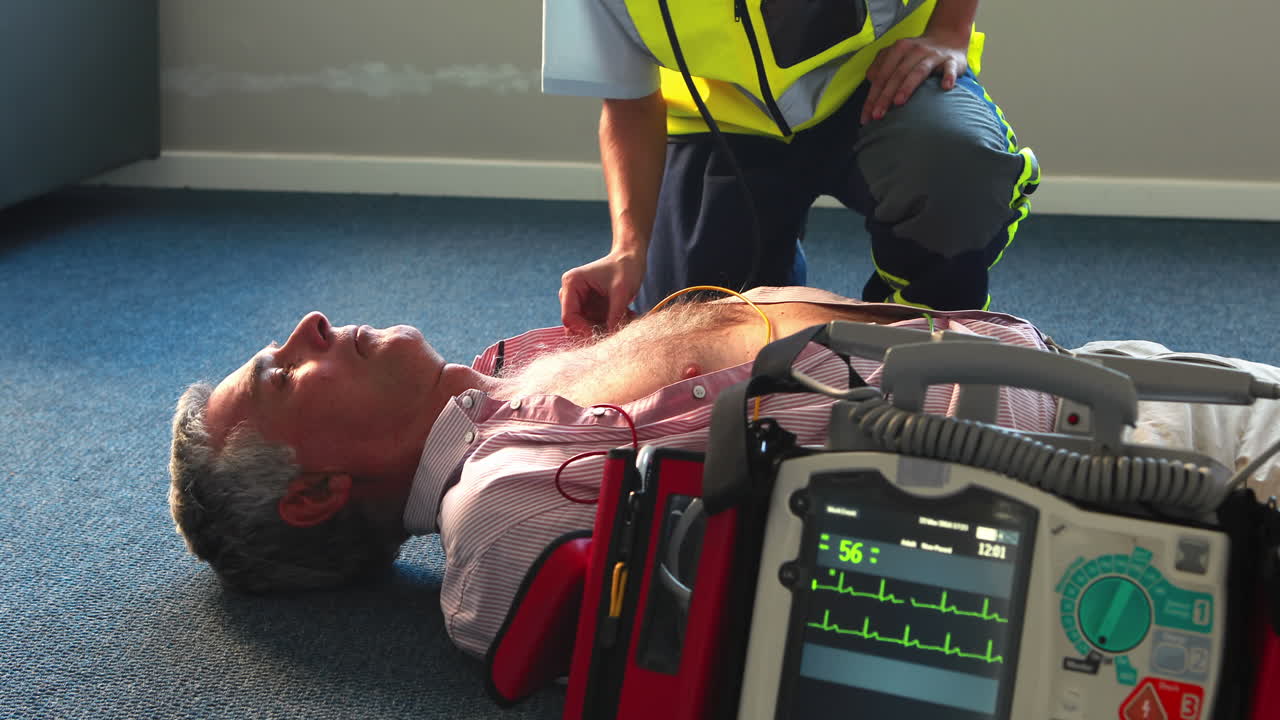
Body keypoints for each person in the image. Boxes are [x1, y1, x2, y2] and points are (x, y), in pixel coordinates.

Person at [168, 287, 1280, 660]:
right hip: (1118, 483)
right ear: (315, 494)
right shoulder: (497, 511)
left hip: (1086, 375)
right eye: (279, 373)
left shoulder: (508, 387)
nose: (308, 328)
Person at [542, 0, 1041, 336]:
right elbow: (629, 102)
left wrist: (950, 30)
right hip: (722, 118)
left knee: (955, 174)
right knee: (693, 331)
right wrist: (628, 248)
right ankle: (779, 283)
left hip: (878, 77)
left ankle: (922, 331)